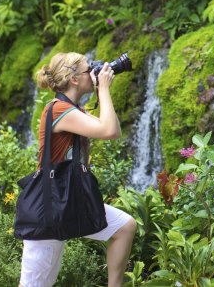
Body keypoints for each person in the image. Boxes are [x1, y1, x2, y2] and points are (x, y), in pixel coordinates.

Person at [19, 52, 137, 287]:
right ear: (74, 79)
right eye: (88, 69)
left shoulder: (73, 110)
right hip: (48, 206)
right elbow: (110, 131)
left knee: (125, 226)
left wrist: (101, 90)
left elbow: (110, 127)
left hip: (66, 200)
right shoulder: (60, 110)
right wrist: (103, 89)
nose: (93, 72)